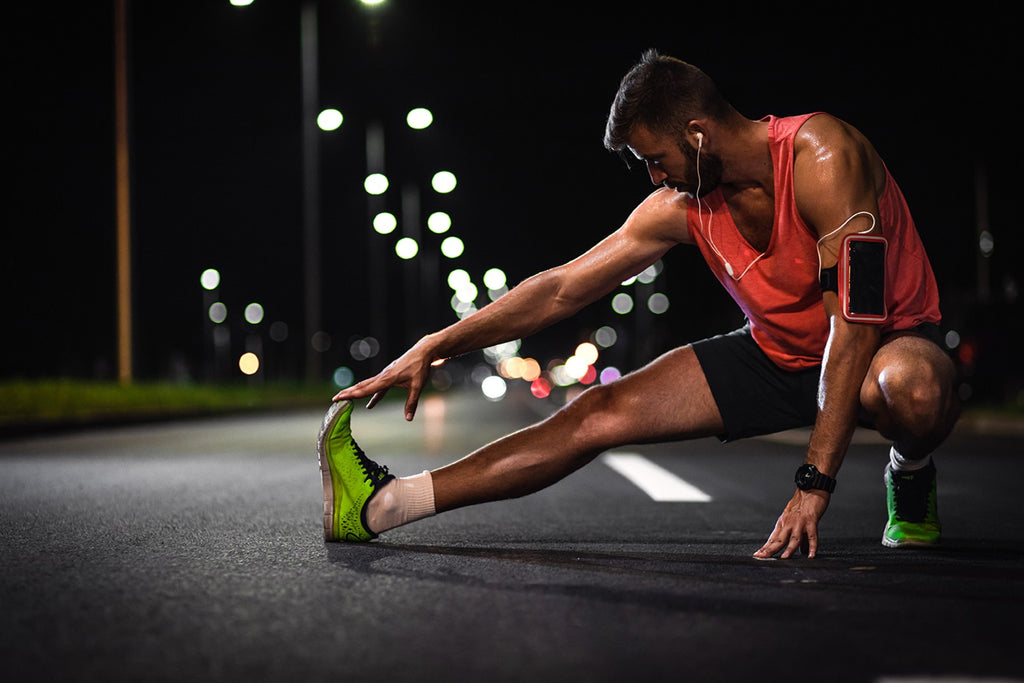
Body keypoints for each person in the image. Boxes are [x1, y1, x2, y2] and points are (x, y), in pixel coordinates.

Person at [317, 50, 960, 558]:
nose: (655, 177)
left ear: (699, 135)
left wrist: (814, 482)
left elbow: (853, 323)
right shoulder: (684, 207)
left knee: (912, 390)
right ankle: (384, 505)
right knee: (598, 411)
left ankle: (910, 466)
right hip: (780, 354)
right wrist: (438, 344)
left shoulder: (825, 156)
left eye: (656, 158)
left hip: (879, 344)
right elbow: (563, 287)